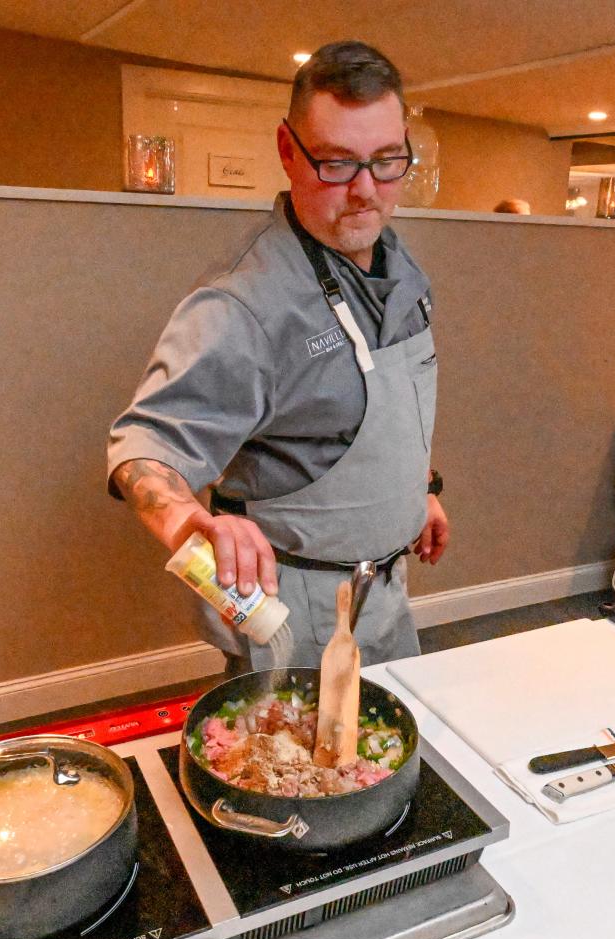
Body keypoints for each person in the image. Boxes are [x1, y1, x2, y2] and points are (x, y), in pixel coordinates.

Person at [107, 40, 449, 674]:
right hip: (300, 608)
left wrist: (415, 491)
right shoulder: (244, 305)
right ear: (289, 152)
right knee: (297, 771)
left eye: (387, 161)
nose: (366, 191)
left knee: (395, 760)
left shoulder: (399, 265)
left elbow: (382, 405)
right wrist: (188, 520)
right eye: (338, 163)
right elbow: (142, 447)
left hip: (388, 588)